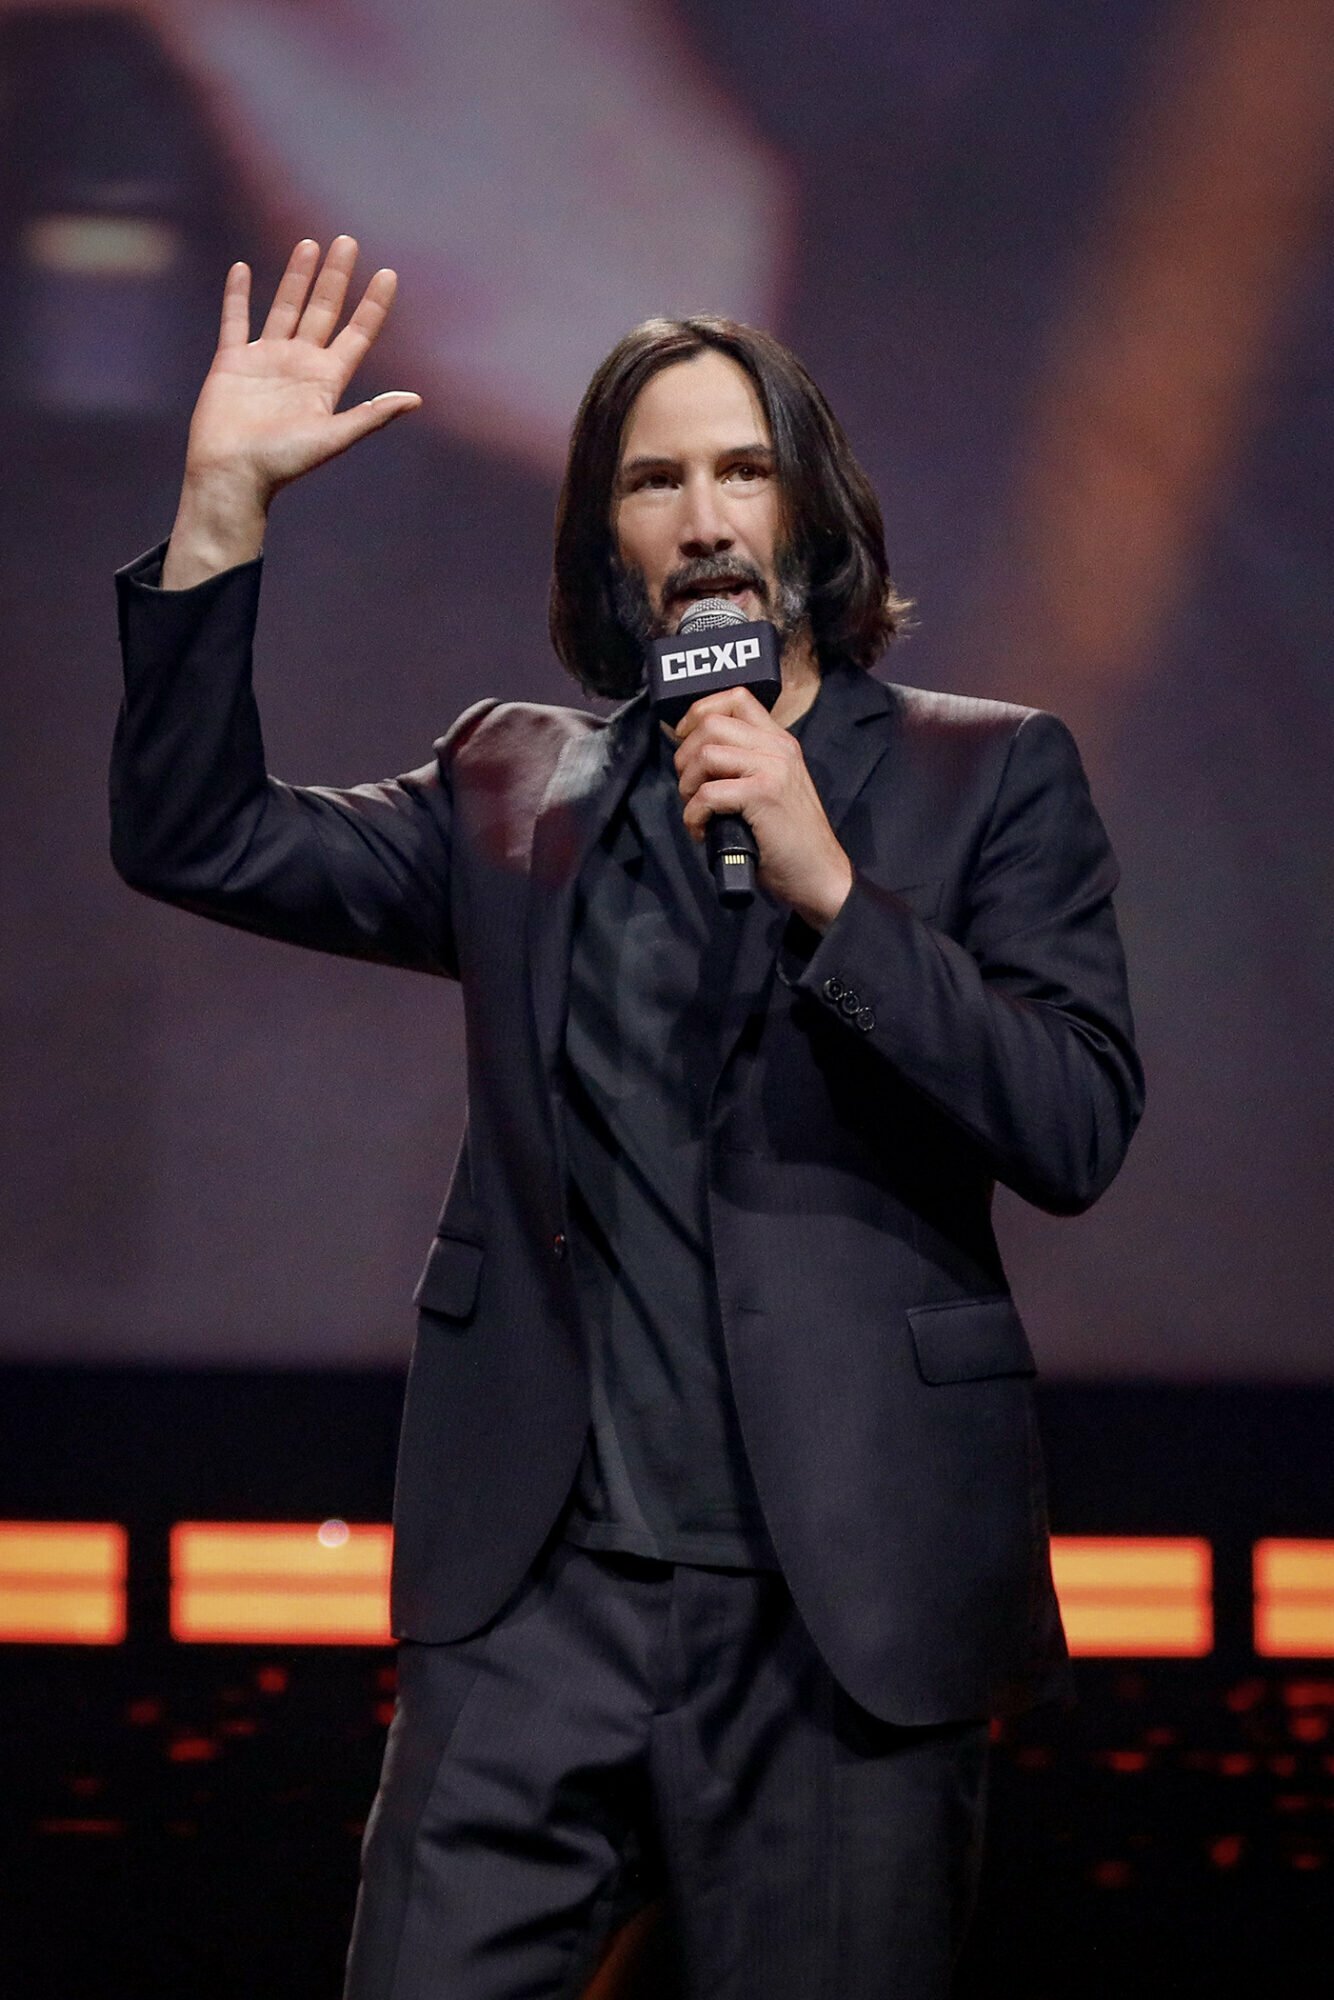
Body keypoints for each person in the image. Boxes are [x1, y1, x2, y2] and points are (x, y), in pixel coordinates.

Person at [110, 237, 1144, 1999]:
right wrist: (220, 513)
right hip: (540, 1597)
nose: (705, 512)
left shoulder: (989, 772)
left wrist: (834, 892)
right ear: (609, 542)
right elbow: (195, 835)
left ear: (813, 507)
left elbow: (1072, 1125)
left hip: (842, 1608)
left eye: (741, 465)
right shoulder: (517, 786)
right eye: (655, 480)